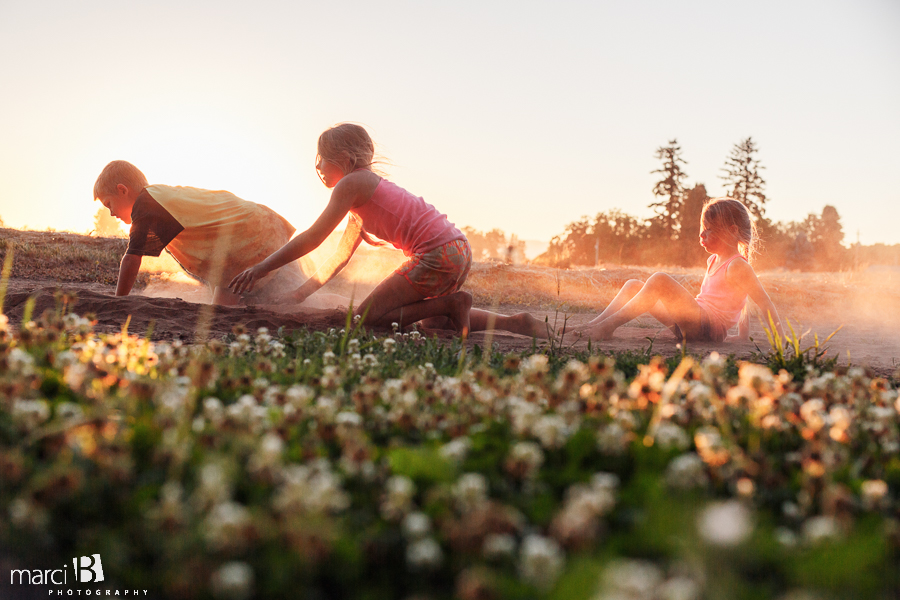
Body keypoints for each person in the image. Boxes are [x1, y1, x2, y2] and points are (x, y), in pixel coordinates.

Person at [229, 123, 547, 337]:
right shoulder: (361, 197)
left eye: (321, 159)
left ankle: (454, 303)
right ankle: (515, 323)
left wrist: (261, 268)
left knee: (367, 320)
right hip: (457, 248)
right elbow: (338, 259)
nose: (318, 167)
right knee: (432, 322)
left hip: (437, 254)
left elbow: (313, 237)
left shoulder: (352, 183)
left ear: (345, 159)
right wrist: (299, 295)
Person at [93, 160, 304, 305]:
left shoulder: (146, 203)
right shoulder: (160, 198)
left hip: (252, 234)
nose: (111, 213)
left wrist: (118, 302)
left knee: (226, 311)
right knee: (285, 298)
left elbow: (132, 259)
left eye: (109, 204)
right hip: (258, 227)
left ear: (123, 190)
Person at [576, 197, 783, 343]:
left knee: (660, 280)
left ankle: (605, 328)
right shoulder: (714, 260)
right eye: (702, 231)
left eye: (709, 231)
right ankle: (593, 325)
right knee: (633, 286)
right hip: (693, 323)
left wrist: (780, 341)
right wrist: (742, 334)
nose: (702, 236)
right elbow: (739, 298)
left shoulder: (737, 265)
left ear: (732, 231)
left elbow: (763, 301)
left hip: (707, 328)